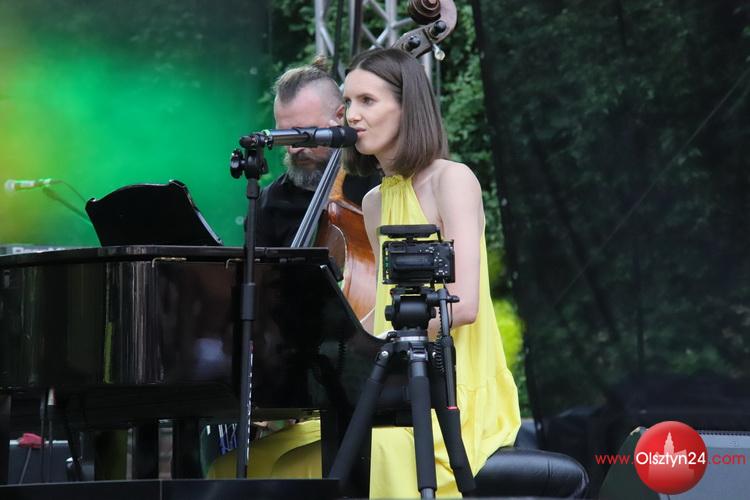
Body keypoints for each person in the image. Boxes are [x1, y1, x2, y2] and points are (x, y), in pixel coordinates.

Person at [256, 56, 379, 247]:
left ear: (340, 116)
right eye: (285, 135)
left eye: (305, 135)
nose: (293, 148)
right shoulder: (269, 202)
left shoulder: (379, 181)